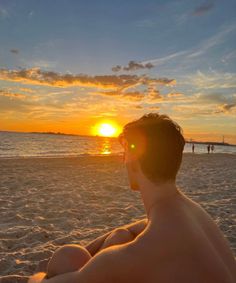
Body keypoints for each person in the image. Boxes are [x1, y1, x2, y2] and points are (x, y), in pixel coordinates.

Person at [29, 113, 236, 283]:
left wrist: (41, 272)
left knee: (64, 260)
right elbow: (128, 230)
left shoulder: (140, 252)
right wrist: (88, 251)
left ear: (132, 158)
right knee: (119, 235)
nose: (123, 160)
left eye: (125, 151)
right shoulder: (189, 211)